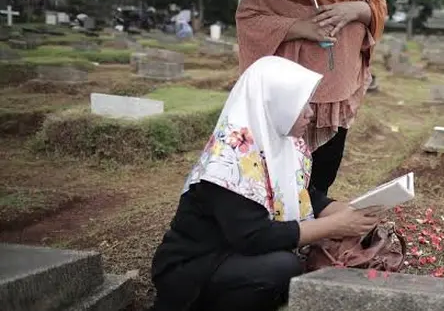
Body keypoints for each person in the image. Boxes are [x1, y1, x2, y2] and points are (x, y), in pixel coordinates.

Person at [150, 56, 382, 311]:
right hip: (197, 264)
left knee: (293, 261)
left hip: (237, 254)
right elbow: (255, 236)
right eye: (301, 105)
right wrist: (333, 226)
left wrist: (349, 212)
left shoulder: (287, 142)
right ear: (272, 103)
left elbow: (305, 195)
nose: (310, 113)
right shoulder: (231, 156)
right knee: (284, 267)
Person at [236, 0, 388, 196]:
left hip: (338, 90)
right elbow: (250, 18)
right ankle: (286, 230)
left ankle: (313, 229)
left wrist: (353, 10)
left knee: (324, 172)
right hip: (296, 94)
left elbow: (376, 4)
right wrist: (300, 27)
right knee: (286, 172)